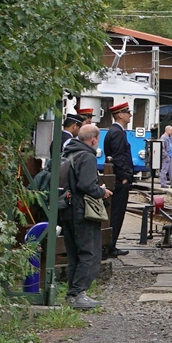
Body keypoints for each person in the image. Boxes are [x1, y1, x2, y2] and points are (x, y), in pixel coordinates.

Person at [60, 123, 111, 309]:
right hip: (82, 211)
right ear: (94, 139)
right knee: (89, 253)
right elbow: (86, 185)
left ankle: (72, 293)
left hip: (66, 210)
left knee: (74, 254)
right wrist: (102, 191)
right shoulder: (87, 156)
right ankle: (78, 293)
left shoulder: (67, 154)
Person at [102, 102, 136, 258]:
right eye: (128, 112)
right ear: (121, 115)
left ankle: (110, 244)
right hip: (119, 180)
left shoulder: (116, 131)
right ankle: (110, 245)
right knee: (116, 214)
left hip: (118, 178)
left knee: (116, 213)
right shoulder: (117, 133)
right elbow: (119, 157)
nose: (130, 115)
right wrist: (124, 178)